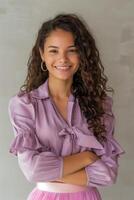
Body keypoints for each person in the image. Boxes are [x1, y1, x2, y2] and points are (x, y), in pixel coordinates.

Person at [8, 13, 124, 200]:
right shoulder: (24, 105)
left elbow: (107, 174)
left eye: (71, 50)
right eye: (54, 50)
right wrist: (86, 158)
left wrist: (52, 170)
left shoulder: (100, 104)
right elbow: (33, 170)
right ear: (42, 53)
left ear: (82, 54)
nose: (63, 59)